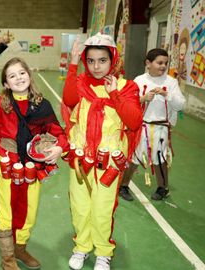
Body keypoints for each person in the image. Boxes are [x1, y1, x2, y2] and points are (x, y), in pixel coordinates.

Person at [61, 33, 142, 270]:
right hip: (81, 159)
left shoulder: (127, 86)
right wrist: (73, 64)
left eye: (103, 60)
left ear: (113, 59)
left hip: (109, 162)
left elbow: (134, 121)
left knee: (103, 208)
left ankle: (103, 252)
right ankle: (82, 247)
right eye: (92, 60)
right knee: (80, 206)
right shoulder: (81, 82)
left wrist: (115, 93)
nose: (97, 66)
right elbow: (68, 99)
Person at [0, 57, 69, 269]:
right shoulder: (0, 103)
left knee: (29, 209)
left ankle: (20, 248)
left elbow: (58, 133)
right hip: (8, 162)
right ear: (6, 83)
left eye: (21, 73)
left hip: (33, 165)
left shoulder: (43, 105)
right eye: (12, 76)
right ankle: (7, 258)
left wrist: (59, 147)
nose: (18, 78)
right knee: (6, 209)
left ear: (29, 75)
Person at [119, 48, 185, 201]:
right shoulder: (139, 80)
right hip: (141, 127)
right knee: (135, 157)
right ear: (148, 63)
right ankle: (123, 185)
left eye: (166, 63)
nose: (163, 66)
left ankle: (163, 188)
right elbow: (127, 103)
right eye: (159, 63)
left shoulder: (171, 82)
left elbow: (181, 105)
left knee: (160, 158)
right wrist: (142, 98)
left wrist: (166, 94)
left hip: (161, 128)